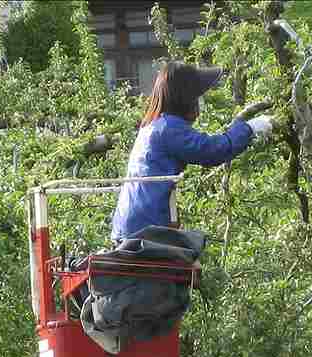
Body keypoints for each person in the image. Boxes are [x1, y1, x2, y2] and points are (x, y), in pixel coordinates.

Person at [110, 61, 274, 242]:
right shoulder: (169, 129)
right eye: (198, 96)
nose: (200, 101)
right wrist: (250, 128)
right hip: (145, 229)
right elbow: (212, 151)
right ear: (186, 98)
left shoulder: (154, 125)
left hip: (132, 225)